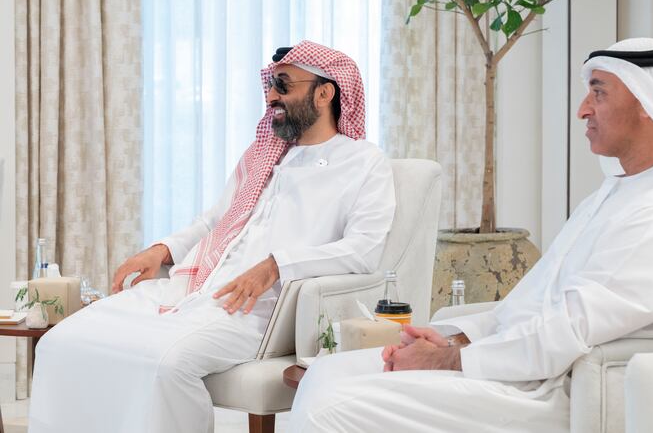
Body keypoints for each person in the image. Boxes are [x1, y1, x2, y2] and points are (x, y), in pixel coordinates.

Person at [288, 38, 653, 433]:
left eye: (598, 92)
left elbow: (568, 332)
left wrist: (449, 360)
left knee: (331, 410)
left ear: (649, 103)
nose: (582, 109)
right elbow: (536, 304)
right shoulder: (619, 193)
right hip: (519, 365)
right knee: (327, 373)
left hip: (554, 390)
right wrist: (455, 337)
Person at [28, 41, 396, 433]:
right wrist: (162, 249)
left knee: (168, 365)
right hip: (196, 288)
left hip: (258, 310)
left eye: (283, 85)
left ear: (325, 93)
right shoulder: (263, 153)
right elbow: (215, 222)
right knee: (61, 342)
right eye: (270, 84)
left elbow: (363, 252)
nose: (271, 95)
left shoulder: (363, 163)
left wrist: (276, 266)